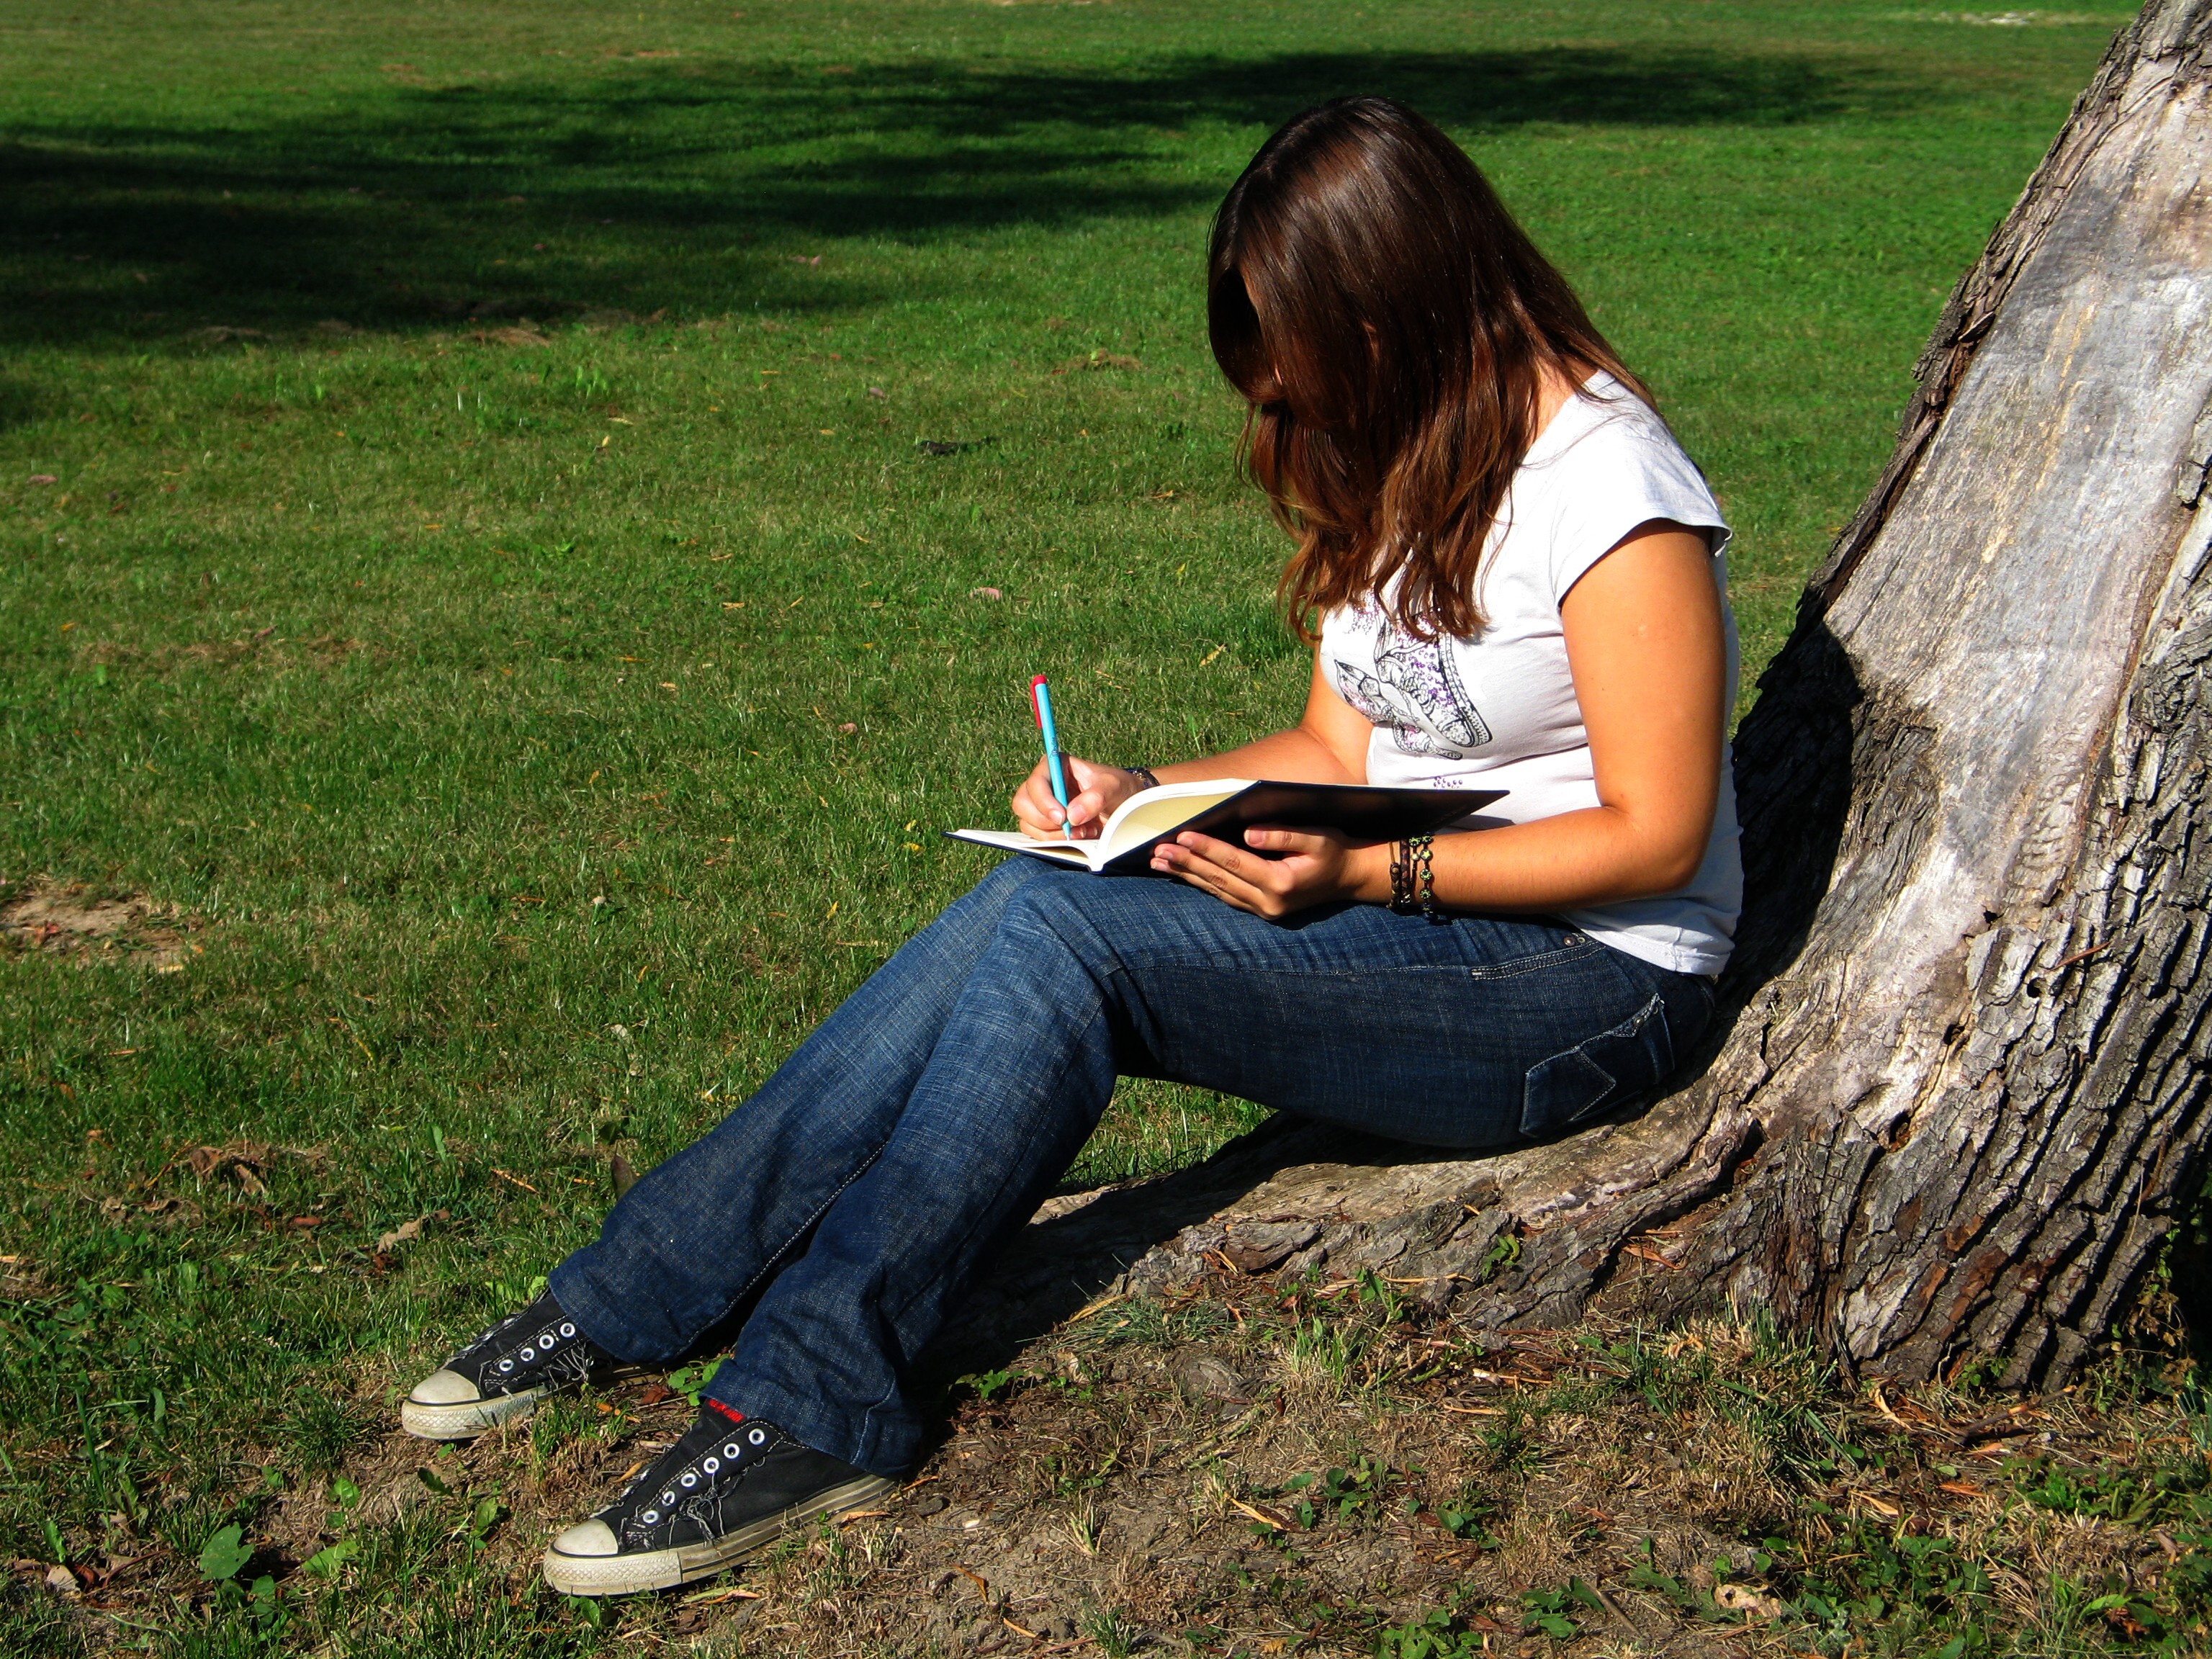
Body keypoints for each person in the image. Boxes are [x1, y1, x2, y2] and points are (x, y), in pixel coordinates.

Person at [398, 95, 1742, 1599]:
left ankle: (815, 1400)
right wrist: (1143, 791)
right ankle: (637, 1289)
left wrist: (1368, 875)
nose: (1285, 394)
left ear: (1400, 300)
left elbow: (1657, 830)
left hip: (1588, 982)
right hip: (1420, 913)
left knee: (1070, 944)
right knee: (1051, 882)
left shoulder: (1609, 487)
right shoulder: (1413, 444)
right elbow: (1337, 753)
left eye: (1302, 349)